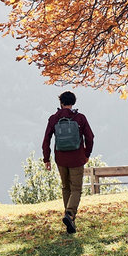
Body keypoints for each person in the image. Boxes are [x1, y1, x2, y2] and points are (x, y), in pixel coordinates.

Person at [42, 90, 95, 234]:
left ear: (61, 102)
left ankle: (69, 219)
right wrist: (87, 154)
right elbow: (90, 137)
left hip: (61, 159)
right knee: (76, 189)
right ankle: (70, 214)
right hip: (77, 158)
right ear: (73, 103)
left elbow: (46, 139)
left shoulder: (54, 118)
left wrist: (46, 158)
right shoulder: (80, 118)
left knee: (66, 188)